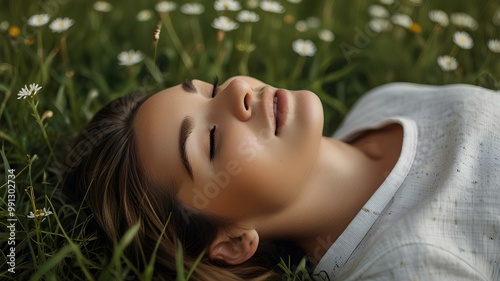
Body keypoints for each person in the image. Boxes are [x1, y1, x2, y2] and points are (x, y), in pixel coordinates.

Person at [62, 76, 500, 281]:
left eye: (211, 89)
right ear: (233, 244)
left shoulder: (381, 102)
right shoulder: (406, 265)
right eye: (211, 142)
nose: (238, 90)